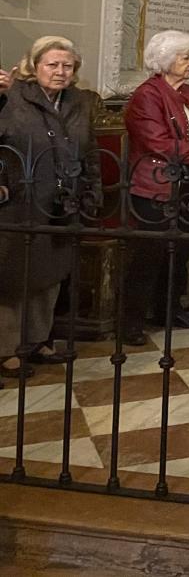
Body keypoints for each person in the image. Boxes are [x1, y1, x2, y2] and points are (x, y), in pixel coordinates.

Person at [0, 37, 101, 377]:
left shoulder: (78, 101)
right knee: (14, 277)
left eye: (67, 66)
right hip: (20, 200)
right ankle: (7, 349)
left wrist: (92, 192)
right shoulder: (13, 96)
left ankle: (37, 340)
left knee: (50, 274)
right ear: (34, 66)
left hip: (63, 201)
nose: (60, 71)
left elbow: (90, 151)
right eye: (52, 65)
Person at [124, 30, 189, 340]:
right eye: (185, 57)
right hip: (156, 184)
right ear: (166, 61)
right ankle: (131, 322)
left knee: (180, 251)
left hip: (187, 183)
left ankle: (169, 309)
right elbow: (157, 141)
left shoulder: (188, 92)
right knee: (149, 254)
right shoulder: (147, 95)